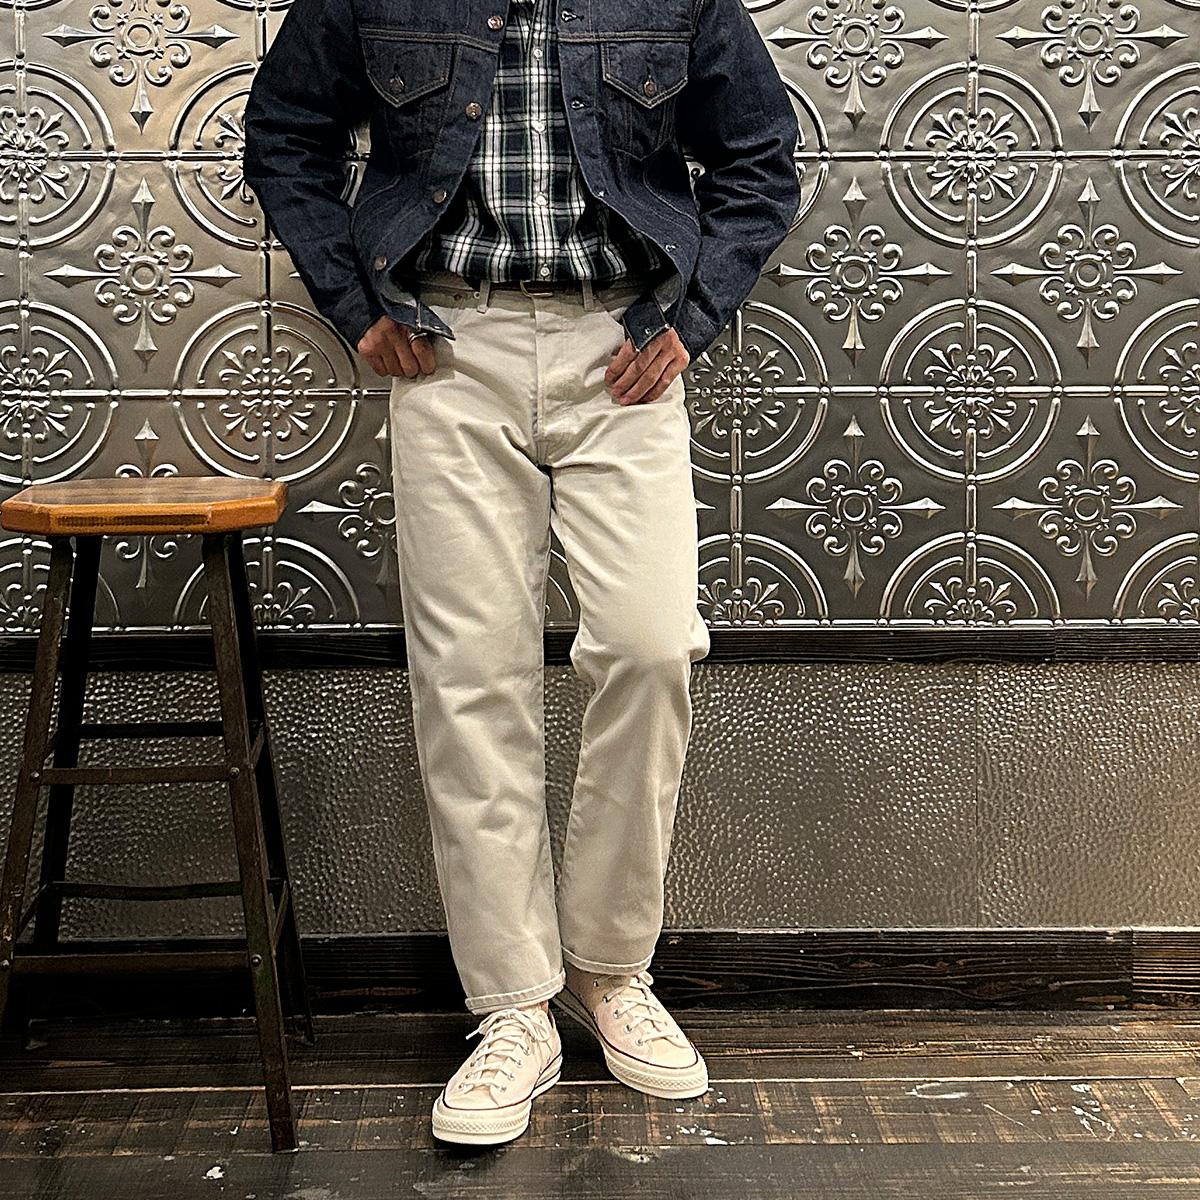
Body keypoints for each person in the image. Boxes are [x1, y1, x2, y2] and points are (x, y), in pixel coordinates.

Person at [243, 0, 801, 1146]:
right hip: (449, 348)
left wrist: (692, 318)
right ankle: (512, 1008)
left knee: (652, 646)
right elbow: (286, 133)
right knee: (470, 680)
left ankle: (608, 969)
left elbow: (760, 158)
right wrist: (353, 304)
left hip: (621, 348)